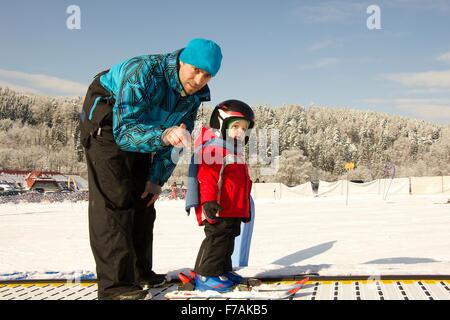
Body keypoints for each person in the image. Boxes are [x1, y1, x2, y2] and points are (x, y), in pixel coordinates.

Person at [79, 38, 222, 300]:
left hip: (147, 130)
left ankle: (140, 271)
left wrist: (156, 179)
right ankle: (115, 287)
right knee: (116, 200)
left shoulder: (192, 97)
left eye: (208, 75)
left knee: (144, 198)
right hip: (109, 121)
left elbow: (179, 138)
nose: (200, 79)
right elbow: (124, 134)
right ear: (182, 61)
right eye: (196, 70)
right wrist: (165, 134)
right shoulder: (142, 71)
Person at [185, 100, 255, 292]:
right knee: (217, 240)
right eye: (235, 126)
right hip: (218, 207)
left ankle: (222, 270)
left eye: (244, 128)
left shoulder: (234, 152)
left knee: (227, 240)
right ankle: (206, 275)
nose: (240, 132)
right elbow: (207, 177)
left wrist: (243, 209)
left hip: (231, 209)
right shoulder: (215, 148)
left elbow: (240, 184)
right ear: (220, 123)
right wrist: (208, 201)